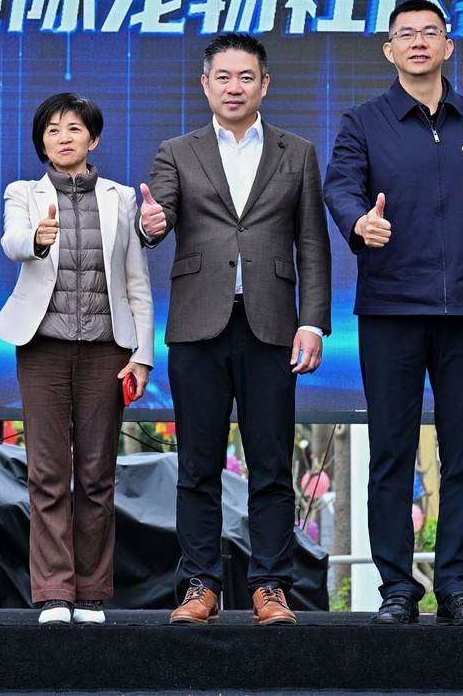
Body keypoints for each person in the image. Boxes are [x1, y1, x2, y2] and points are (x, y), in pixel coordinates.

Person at [322, 0, 463, 627]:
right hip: (391, 309)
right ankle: (397, 589)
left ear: (448, 45)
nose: (418, 42)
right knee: (392, 452)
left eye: (430, 32)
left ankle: (458, 585)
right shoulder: (363, 121)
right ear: (389, 50)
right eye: (405, 34)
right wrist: (359, 222)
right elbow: (339, 186)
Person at [139, 33, 331, 626]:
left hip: (272, 325)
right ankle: (200, 584)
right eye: (222, 76)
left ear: (264, 84)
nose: (234, 87)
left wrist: (313, 322)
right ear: (205, 85)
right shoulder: (178, 151)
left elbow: (312, 243)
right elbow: (159, 217)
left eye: (246, 76)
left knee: (271, 464)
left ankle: (270, 585)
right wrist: (150, 224)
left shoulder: (297, 152)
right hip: (198, 323)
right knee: (197, 464)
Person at [0, 93, 154, 625]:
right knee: (47, 470)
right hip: (42, 347)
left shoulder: (121, 198)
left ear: (94, 138)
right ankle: (55, 592)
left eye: (75, 128)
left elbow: (136, 282)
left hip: (108, 349)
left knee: (97, 472)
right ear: (42, 142)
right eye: (53, 129)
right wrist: (37, 239)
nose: (64, 137)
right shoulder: (23, 192)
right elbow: (12, 242)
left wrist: (142, 355)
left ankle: (91, 594)